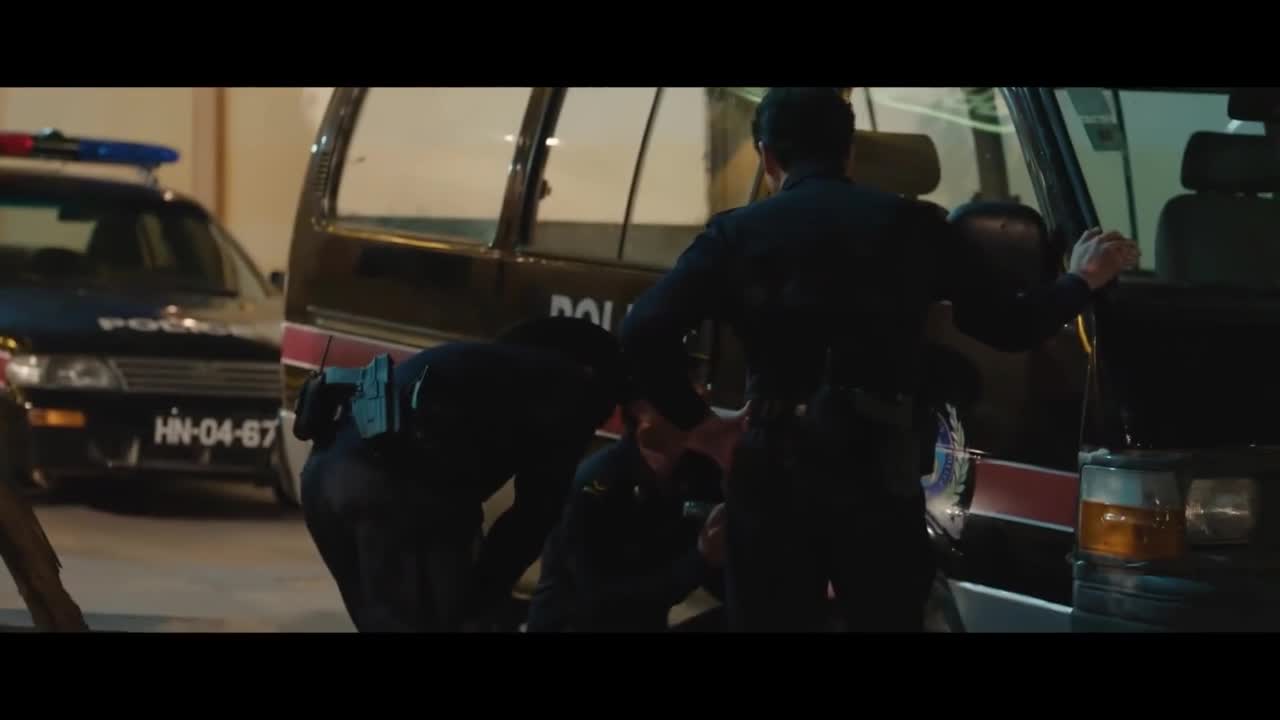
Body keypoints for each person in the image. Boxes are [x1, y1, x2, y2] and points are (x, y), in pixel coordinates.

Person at [619, 87, 1140, 632]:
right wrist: (1081, 279)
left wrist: (703, 428)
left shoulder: (735, 233)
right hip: (877, 467)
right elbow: (1009, 326)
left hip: (772, 464)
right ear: (849, 152)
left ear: (767, 156)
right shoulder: (914, 226)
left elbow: (644, 329)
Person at [298, 317, 625, 632]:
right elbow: (536, 514)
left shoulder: (482, 365)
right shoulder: (573, 388)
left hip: (323, 475)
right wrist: (479, 599)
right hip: (390, 490)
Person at [525, 396, 727, 633]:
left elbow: (718, 571)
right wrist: (700, 561)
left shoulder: (698, 473)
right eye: (675, 396)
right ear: (640, 413)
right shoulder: (599, 481)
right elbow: (599, 599)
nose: (694, 403)